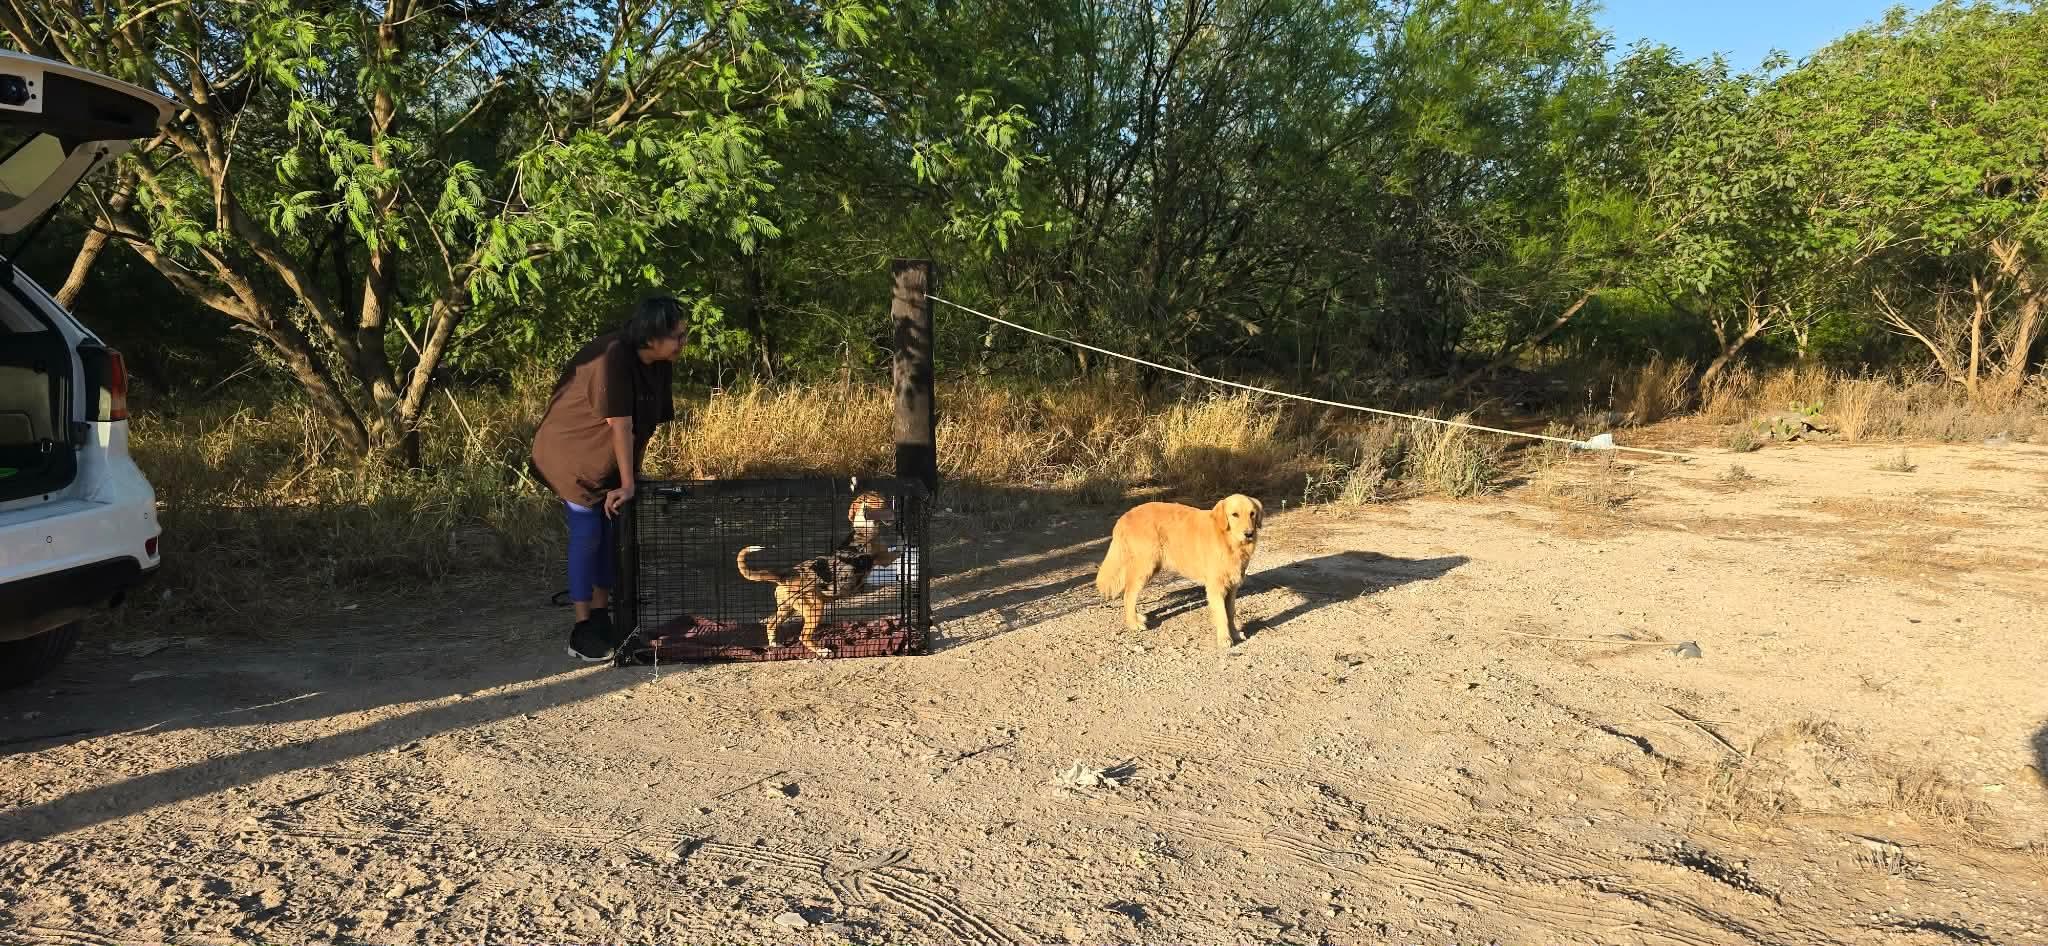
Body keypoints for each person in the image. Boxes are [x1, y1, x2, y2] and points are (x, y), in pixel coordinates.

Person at [530, 296, 688, 661]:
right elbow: (620, 424)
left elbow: (644, 427)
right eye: (678, 336)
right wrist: (628, 484)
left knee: (612, 531)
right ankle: (582, 628)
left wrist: (630, 477)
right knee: (588, 534)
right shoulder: (613, 355)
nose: (683, 343)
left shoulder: (661, 364)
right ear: (652, 336)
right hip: (571, 456)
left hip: (608, 462)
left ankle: (603, 615)